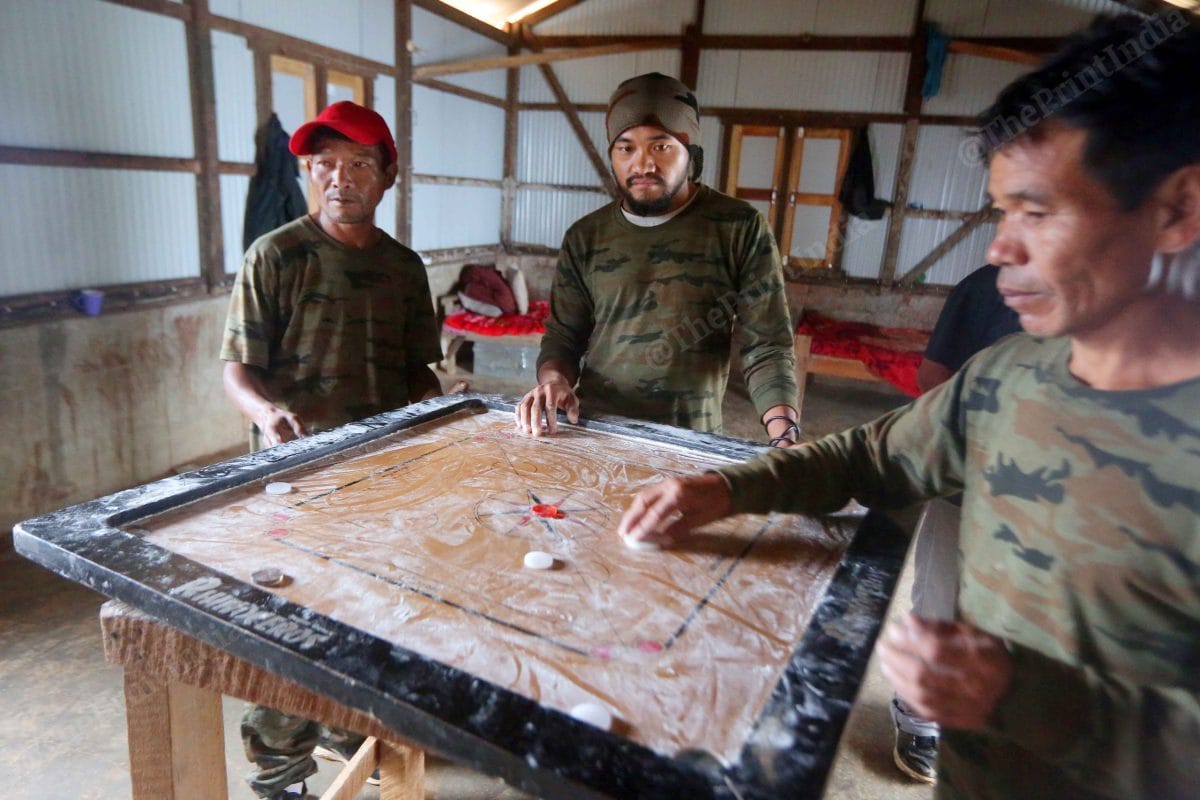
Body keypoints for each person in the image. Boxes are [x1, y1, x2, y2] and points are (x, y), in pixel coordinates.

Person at [619, 13, 1200, 800]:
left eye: (1038, 212)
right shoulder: (1004, 380)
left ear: (1177, 207)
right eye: (1001, 212)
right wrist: (725, 488)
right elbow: (869, 455)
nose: (999, 250)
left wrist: (1021, 699)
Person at [221, 101, 443, 799]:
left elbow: (419, 373)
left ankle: (357, 734)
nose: (339, 178)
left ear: (387, 178)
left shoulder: (405, 269)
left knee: (372, 614)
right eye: (325, 165)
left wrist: (448, 426)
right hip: (292, 480)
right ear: (309, 172)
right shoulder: (277, 255)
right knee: (287, 625)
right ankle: (281, 775)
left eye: (358, 165)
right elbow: (236, 369)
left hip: (383, 480)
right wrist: (265, 412)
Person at [515, 73, 801, 447]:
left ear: (690, 152)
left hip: (689, 442)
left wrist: (785, 434)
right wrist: (554, 383)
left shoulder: (738, 228)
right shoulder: (586, 236)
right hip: (595, 431)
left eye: (661, 146)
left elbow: (767, 345)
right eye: (626, 148)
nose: (642, 164)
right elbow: (564, 338)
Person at [893, 263, 1022, 783]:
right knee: (942, 599)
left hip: (1062, 505)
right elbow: (933, 376)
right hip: (968, 485)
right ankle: (920, 719)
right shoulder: (986, 286)